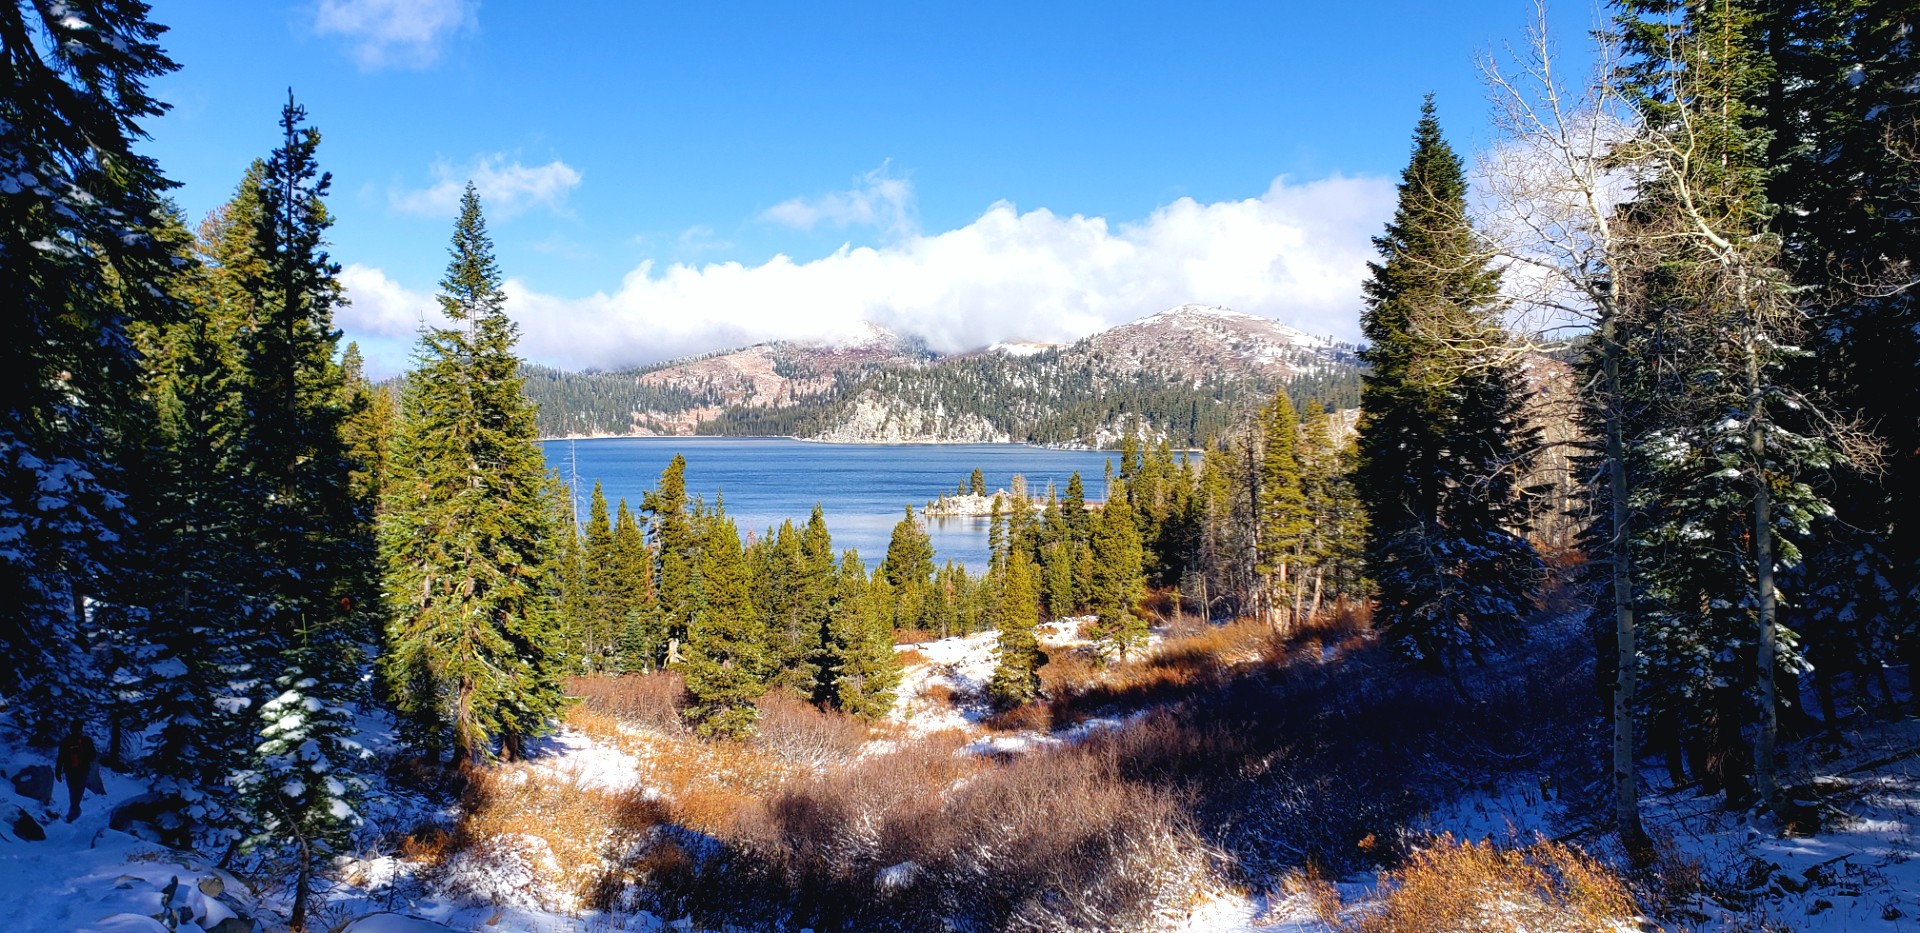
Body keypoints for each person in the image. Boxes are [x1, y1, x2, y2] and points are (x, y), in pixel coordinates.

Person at [53, 720, 97, 823]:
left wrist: (58, 770)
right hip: (74, 770)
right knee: (75, 791)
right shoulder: (68, 741)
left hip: (78, 770)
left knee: (76, 791)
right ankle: (74, 810)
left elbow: (92, 756)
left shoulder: (84, 741)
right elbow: (61, 757)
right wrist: (58, 770)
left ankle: (73, 811)